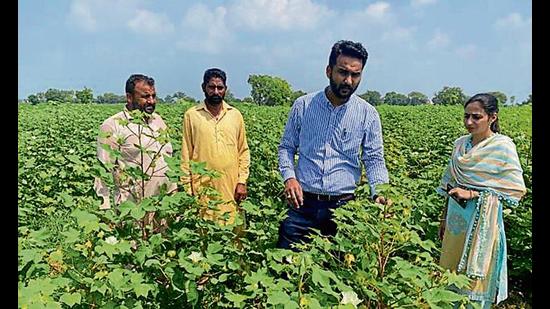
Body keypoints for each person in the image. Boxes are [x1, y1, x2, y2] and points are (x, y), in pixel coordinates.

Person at [276, 40, 390, 250]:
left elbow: (374, 159)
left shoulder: (368, 114)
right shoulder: (303, 106)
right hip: (302, 204)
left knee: (336, 274)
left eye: (355, 75)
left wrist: (379, 191)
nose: (348, 80)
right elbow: (286, 147)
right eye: (342, 72)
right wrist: (289, 178)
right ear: (329, 71)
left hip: (343, 208)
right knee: (286, 268)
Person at [437, 93, 526, 307]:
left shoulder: (503, 147)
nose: (469, 122)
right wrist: (443, 218)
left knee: (474, 285)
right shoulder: (460, 146)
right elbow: (449, 184)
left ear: (492, 117)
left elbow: (515, 189)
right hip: (455, 220)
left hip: (482, 224)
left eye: (476, 117)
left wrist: (473, 193)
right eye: (466, 116)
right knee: (449, 278)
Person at [94, 74, 177, 235]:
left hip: (161, 206)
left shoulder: (158, 121)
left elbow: (168, 160)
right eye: (145, 96)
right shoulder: (112, 126)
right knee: (133, 252)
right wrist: (105, 209)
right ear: (129, 97)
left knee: (160, 253)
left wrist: (173, 195)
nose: (151, 101)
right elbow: (103, 171)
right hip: (132, 207)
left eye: (153, 96)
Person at [180, 68, 250, 225]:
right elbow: (186, 155)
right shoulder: (192, 115)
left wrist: (242, 181)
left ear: (225, 89)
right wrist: (187, 190)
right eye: (211, 87)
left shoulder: (235, 115)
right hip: (203, 189)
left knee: (234, 232)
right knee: (206, 234)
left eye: (220, 88)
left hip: (231, 189)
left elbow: (243, 151)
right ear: (203, 87)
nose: (216, 91)